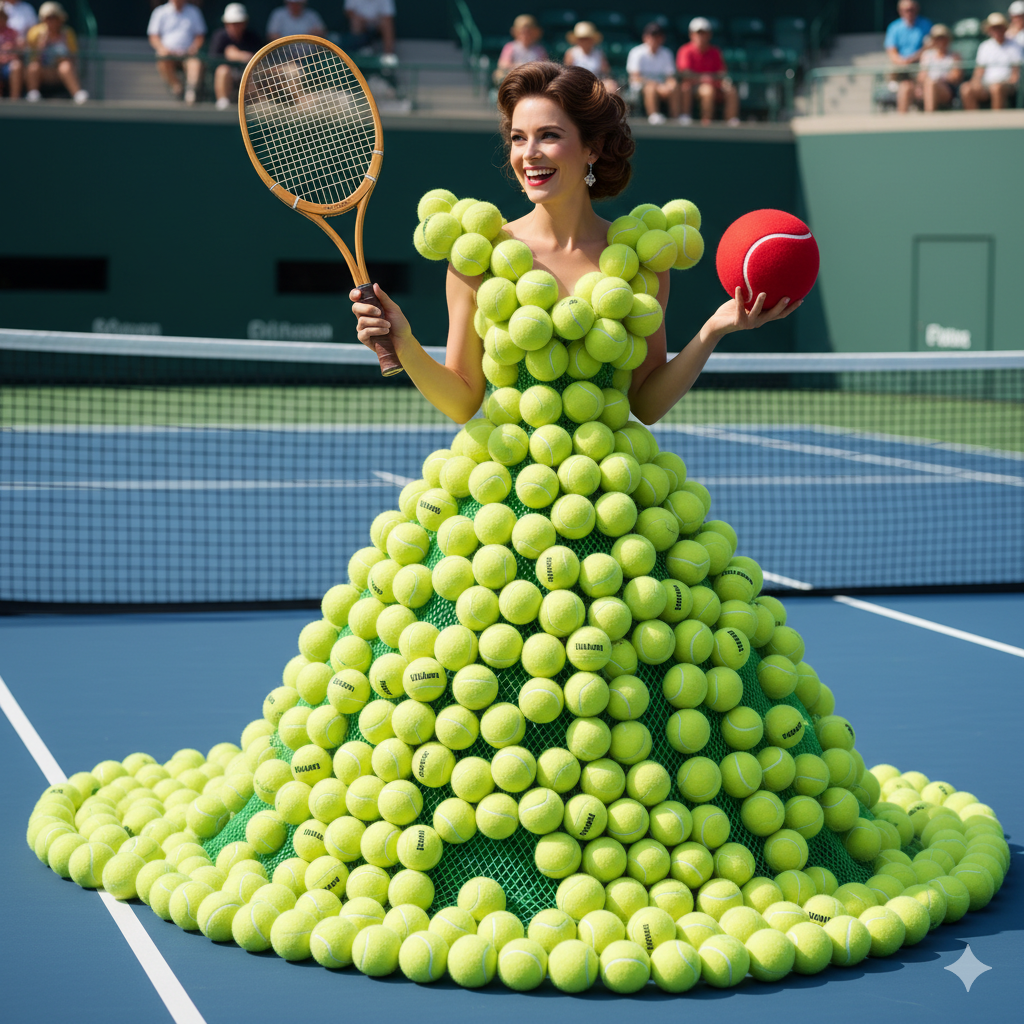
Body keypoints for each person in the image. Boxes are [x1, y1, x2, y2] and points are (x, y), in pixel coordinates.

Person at [349, 62, 796, 426]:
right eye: (518, 138)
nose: (529, 153)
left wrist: (712, 330)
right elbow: (463, 402)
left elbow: (646, 404)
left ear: (592, 148)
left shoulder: (642, 261)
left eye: (549, 135)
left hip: (607, 493)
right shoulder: (476, 256)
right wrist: (405, 343)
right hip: (504, 493)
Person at [676, 16, 739, 126]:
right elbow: (685, 73)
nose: (701, 36)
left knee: (731, 91)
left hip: (714, 84)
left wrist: (722, 81)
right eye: (698, 33)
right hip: (693, 86)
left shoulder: (715, 51)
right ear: (691, 35)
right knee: (707, 90)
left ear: (709, 35)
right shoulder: (685, 50)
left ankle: (731, 121)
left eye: (704, 33)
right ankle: (706, 123)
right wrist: (703, 78)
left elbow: (721, 73)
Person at [24, 1, 86, 103]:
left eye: (54, 18)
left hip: (59, 72)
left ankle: (77, 94)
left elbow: (73, 57)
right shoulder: (34, 32)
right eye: (48, 18)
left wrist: (63, 58)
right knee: (33, 67)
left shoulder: (68, 33)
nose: (51, 21)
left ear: (60, 19)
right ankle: (33, 94)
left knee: (66, 66)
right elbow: (31, 59)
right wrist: (41, 46)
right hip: (43, 71)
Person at [148, 0, 206, 105]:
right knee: (162, 56)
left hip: (188, 54)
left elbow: (200, 36)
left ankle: (191, 92)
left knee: (195, 62)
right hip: (168, 54)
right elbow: (153, 36)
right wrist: (162, 48)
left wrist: (193, 48)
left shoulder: (194, 12)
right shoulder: (160, 12)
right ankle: (176, 87)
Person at [961, 12, 1022, 109]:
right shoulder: (984, 46)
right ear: (989, 30)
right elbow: (979, 70)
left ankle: (996, 118)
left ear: (1004, 28)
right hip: (986, 84)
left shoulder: (1015, 45)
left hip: (1006, 84)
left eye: (999, 27)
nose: (997, 31)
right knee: (966, 89)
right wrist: (976, 82)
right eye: (994, 28)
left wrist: (1010, 84)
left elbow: (1015, 73)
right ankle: (973, 118)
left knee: (996, 87)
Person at [626, 22, 681, 124]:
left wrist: (670, 85)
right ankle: (653, 116)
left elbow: (670, 76)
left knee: (675, 86)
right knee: (651, 87)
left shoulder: (667, 53)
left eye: (657, 36)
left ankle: (676, 117)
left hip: (662, 86)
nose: (654, 39)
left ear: (662, 38)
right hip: (640, 87)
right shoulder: (636, 52)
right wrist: (657, 85)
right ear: (645, 37)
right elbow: (635, 77)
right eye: (651, 35)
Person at [210, 3, 260, 110]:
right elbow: (213, 60)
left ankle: (255, 106)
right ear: (226, 24)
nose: (235, 27)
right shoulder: (219, 37)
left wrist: (241, 55)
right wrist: (229, 56)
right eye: (231, 23)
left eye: (238, 23)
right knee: (223, 70)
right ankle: (223, 103)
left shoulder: (252, 37)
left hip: (246, 75)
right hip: (229, 75)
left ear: (244, 23)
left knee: (252, 74)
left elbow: (259, 59)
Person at [906, 23, 961, 111]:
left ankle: (929, 116)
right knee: (905, 87)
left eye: (942, 38)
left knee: (931, 83)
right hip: (926, 85)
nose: (940, 41)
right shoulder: (927, 55)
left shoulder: (954, 56)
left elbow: (956, 77)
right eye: (937, 39)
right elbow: (921, 76)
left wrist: (937, 79)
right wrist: (920, 86)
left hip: (946, 90)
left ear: (947, 39)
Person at [563, 20, 617, 95]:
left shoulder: (599, 53)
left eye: (586, 38)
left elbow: (606, 72)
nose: (584, 41)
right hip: (577, 83)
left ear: (592, 39)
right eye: (581, 38)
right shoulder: (571, 53)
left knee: (611, 86)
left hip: (597, 83)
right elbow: (567, 73)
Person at [495, 14, 547, 85]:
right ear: (516, 32)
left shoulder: (539, 49)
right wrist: (520, 67)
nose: (526, 35)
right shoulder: (510, 47)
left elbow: (545, 66)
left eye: (529, 32)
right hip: (514, 79)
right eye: (522, 32)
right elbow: (503, 65)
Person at [885, 0, 933, 69]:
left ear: (917, 9)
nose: (909, 12)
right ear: (900, 11)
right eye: (906, 10)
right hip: (900, 65)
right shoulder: (894, 27)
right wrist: (901, 62)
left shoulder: (926, 25)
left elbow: (929, 46)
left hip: (921, 63)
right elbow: (891, 50)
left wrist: (912, 59)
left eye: (911, 9)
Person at [0, 4, 25, 99]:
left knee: (16, 65)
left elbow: (20, 49)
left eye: (2, 16)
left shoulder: (13, 32)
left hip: (9, 64)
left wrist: (16, 47)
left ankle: (14, 100)